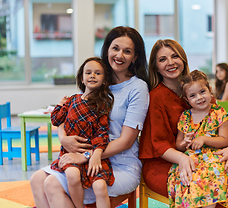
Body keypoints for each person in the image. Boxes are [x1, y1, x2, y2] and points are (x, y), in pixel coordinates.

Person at [30, 26, 150, 208]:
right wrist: (63, 138)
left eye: (127, 51)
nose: (120, 55)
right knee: (36, 179)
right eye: (115, 48)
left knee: (51, 184)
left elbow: (126, 141)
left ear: (135, 57)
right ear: (107, 49)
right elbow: (70, 112)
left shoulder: (137, 88)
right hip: (85, 158)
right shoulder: (97, 78)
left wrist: (87, 155)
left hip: (120, 163)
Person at [139, 39, 228, 208]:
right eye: (162, 59)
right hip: (163, 163)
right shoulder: (155, 97)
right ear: (155, 66)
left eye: (175, 56)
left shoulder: (198, 90)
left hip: (205, 157)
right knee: (205, 183)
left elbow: (221, 126)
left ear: (183, 59)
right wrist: (182, 158)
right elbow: (158, 144)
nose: (170, 62)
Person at [49, 57, 115, 208]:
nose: (92, 75)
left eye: (98, 73)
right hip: (70, 151)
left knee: (100, 187)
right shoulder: (72, 100)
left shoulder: (103, 104)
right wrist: (59, 105)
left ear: (104, 80)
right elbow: (56, 120)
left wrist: (97, 154)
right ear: (82, 78)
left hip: (91, 153)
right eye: (88, 73)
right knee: (72, 174)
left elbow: (102, 133)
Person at [167, 70, 228, 208]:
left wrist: (204, 139)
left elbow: (225, 139)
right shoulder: (185, 117)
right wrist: (184, 142)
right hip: (190, 159)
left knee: (210, 179)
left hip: (212, 158)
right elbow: (178, 145)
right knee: (186, 181)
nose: (199, 97)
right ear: (187, 99)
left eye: (202, 92)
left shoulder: (218, 112)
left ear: (210, 90)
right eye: (192, 95)